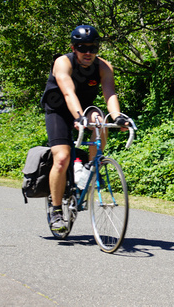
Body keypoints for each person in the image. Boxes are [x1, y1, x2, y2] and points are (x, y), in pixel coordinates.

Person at [41, 25, 128, 232]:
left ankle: (90, 167)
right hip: (59, 110)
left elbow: (110, 93)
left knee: (100, 120)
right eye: (82, 48)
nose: (88, 52)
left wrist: (117, 117)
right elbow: (69, 93)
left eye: (93, 47)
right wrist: (79, 118)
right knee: (61, 158)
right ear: (74, 48)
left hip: (85, 108)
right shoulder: (62, 62)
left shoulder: (103, 66)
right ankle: (55, 211)